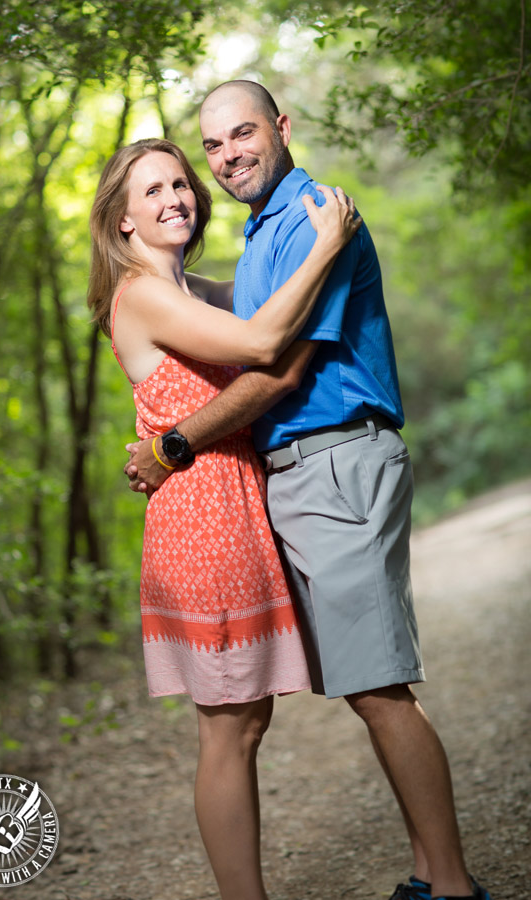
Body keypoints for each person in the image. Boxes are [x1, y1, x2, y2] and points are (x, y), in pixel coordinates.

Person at [124, 83, 493, 900]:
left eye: (240, 136)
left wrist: (175, 441)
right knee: (276, 709)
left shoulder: (307, 220)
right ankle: (435, 876)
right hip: (273, 488)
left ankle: (453, 887)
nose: (223, 161)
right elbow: (218, 321)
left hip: (331, 463)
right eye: (210, 148)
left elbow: (279, 364)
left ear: (281, 127)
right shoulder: (262, 239)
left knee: (375, 687)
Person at [87, 136, 361, 900]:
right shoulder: (141, 294)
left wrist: (301, 249)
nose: (177, 196)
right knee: (229, 729)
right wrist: (328, 242)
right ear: (123, 223)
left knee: (246, 723)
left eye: (181, 182)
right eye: (153, 191)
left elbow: (265, 299)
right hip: (201, 518)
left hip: (233, 505)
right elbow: (265, 341)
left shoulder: (192, 290)